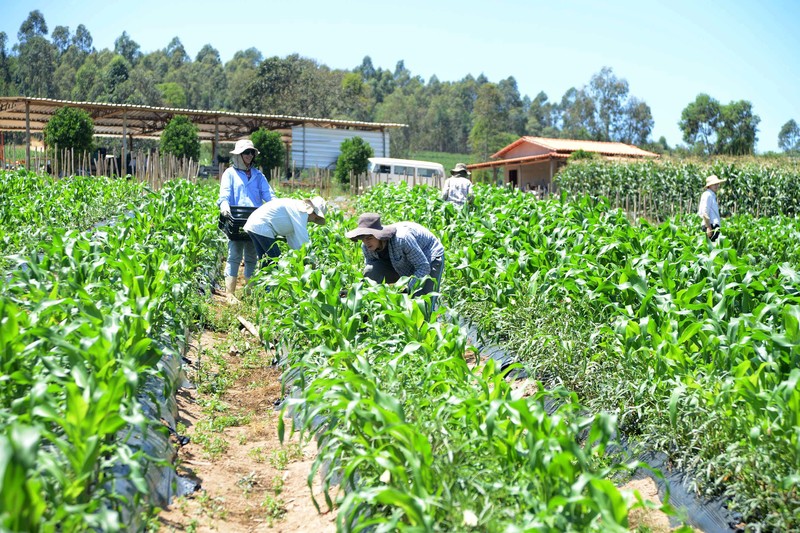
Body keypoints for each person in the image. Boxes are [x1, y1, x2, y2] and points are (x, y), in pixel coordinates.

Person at [345, 213, 444, 310]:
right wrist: (354, 292)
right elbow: (371, 276)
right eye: (363, 238)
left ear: (379, 235)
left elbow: (423, 267)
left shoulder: (402, 239)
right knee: (371, 270)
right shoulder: (367, 247)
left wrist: (406, 288)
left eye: (369, 237)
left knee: (423, 302)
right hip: (400, 262)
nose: (366, 242)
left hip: (429, 256)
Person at [218, 139, 275, 302]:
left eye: (251, 152)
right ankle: (230, 294)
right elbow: (225, 194)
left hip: (255, 219)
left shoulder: (258, 175)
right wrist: (224, 205)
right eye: (246, 152)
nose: (249, 155)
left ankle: (249, 294)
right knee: (234, 254)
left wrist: (277, 206)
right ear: (239, 155)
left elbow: (269, 195)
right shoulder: (230, 173)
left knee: (251, 256)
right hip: (236, 219)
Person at [244, 196, 327, 264]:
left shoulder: (297, 209)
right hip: (261, 226)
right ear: (312, 211)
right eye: (317, 216)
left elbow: (293, 239)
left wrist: (298, 258)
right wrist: (312, 261)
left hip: (254, 224)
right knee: (276, 262)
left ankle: (263, 284)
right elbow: (304, 241)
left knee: (266, 262)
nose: (315, 219)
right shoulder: (302, 212)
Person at [698, 174, 725, 242]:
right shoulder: (707, 195)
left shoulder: (712, 195)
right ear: (709, 186)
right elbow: (704, 212)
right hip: (711, 226)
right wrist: (708, 227)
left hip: (713, 226)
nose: (717, 186)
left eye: (717, 184)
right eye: (714, 184)